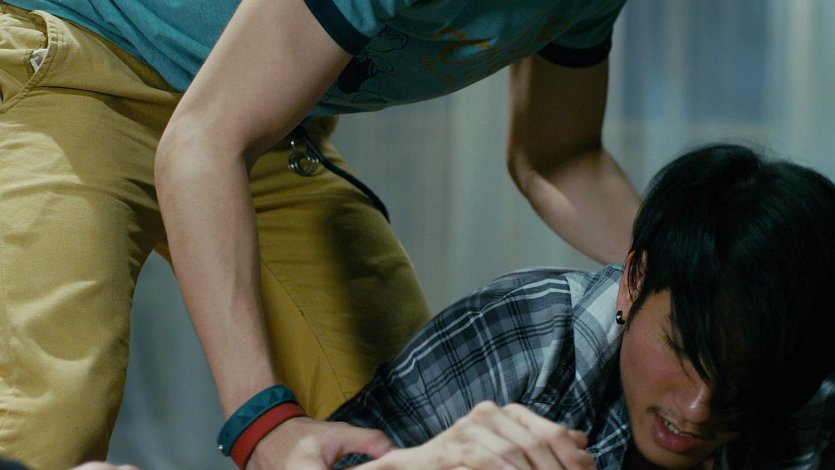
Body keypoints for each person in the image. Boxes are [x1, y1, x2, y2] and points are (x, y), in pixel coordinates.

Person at [0, 0, 641, 468]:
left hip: (261, 120)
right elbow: (202, 142)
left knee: (413, 430)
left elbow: (561, 158)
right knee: (50, 420)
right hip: (81, 62)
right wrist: (261, 423)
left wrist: (676, 263)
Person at [328, 144, 835, 469]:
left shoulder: (807, 402)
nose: (699, 408)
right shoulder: (527, 335)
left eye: (744, 376)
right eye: (683, 350)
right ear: (634, 282)